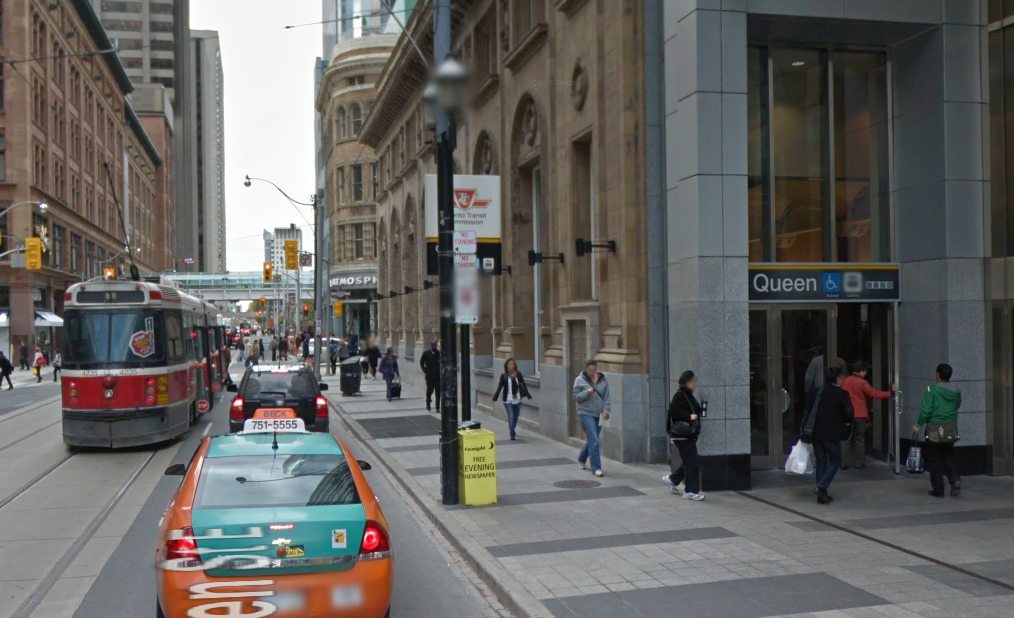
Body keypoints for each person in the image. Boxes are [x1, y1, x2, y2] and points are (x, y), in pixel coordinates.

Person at [805, 367, 854, 504]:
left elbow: (808, 409)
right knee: (835, 460)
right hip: (832, 433)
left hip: (816, 433)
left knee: (821, 461)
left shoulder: (817, 392)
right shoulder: (841, 394)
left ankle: (822, 495)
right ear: (838, 378)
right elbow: (849, 413)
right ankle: (821, 486)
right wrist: (848, 422)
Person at [914, 363, 962, 498]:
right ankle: (955, 479)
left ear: (938, 375)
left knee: (934, 458)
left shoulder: (932, 390)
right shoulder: (956, 391)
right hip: (951, 427)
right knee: (948, 455)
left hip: (934, 428)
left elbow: (926, 410)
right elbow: (957, 405)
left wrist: (918, 424)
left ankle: (938, 490)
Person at [840, 361, 893, 469]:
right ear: (861, 371)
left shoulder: (845, 381)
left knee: (846, 439)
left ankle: (843, 463)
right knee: (859, 438)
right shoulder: (862, 383)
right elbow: (874, 394)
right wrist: (890, 393)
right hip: (860, 414)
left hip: (847, 414)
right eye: (865, 371)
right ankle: (859, 463)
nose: (866, 374)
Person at [662, 370, 705, 500]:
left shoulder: (687, 395)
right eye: (692, 381)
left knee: (690, 461)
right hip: (682, 435)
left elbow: (693, 409)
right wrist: (689, 416)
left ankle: (672, 480)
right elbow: (673, 411)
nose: (694, 384)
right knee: (692, 461)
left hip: (686, 435)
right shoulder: (680, 395)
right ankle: (690, 491)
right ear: (686, 382)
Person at [572, 360, 610, 477]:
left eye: (594, 370)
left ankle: (581, 458)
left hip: (600, 414)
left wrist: (606, 411)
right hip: (585, 413)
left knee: (593, 439)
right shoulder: (579, 380)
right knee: (594, 439)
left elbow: (607, 397)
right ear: (586, 369)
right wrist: (587, 392)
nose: (592, 372)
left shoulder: (603, 379)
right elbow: (575, 397)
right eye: (590, 370)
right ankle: (596, 468)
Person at [492, 358, 532, 440]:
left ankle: (512, 428)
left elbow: (523, 385)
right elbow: (500, 387)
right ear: (506, 365)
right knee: (511, 416)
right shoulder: (504, 376)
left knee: (516, 416)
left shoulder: (518, 374)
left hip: (517, 399)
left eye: (513, 364)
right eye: (509, 364)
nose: (511, 365)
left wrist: (528, 395)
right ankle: (512, 433)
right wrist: (495, 397)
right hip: (508, 400)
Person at [420, 340, 442, 412]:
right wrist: (425, 370)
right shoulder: (426, 353)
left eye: (436, 345)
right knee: (429, 390)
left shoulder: (438, 353)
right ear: (431, 345)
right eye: (433, 345)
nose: (435, 346)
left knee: (438, 392)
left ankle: (437, 408)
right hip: (429, 377)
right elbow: (421, 362)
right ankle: (428, 403)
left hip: (437, 376)